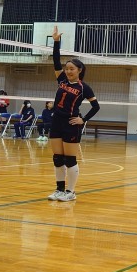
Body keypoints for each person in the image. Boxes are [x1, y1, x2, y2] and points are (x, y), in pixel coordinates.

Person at [48, 26, 101, 202]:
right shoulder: (62, 80)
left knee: (70, 159)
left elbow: (96, 107)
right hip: (57, 122)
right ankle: (59, 190)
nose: (68, 71)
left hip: (71, 124)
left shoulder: (84, 87)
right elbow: (56, 61)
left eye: (72, 69)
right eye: (67, 68)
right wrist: (56, 42)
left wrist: (83, 119)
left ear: (79, 70)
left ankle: (71, 192)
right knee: (57, 158)